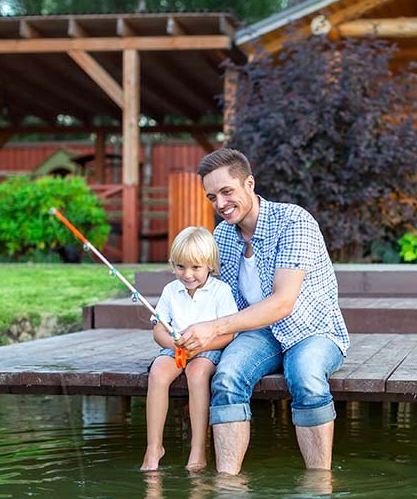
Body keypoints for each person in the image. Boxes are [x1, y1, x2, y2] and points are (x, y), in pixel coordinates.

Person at [177, 148, 350, 475]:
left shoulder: (294, 221)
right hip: (258, 333)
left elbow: (283, 303)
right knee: (226, 378)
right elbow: (212, 296)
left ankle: (318, 485)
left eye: (227, 192)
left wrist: (213, 328)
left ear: (249, 184)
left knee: (306, 376)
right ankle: (228, 491)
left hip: (311, 329)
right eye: (212, 196)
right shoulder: (222, 236)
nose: (220, 204)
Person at [141, 226, 238, 471]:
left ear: (210, 266)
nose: (187, 274)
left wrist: (203, 345)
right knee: (158, 373)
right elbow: (158, 330)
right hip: (176, 349)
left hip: (208, 349)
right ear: (173, 264)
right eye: (181, 266)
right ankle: (154, 447)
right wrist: (172, 344)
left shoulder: (220, 291)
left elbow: (229, 333)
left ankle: (197, 448)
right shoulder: (170, 291)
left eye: (196, 267)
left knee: (197, 375)